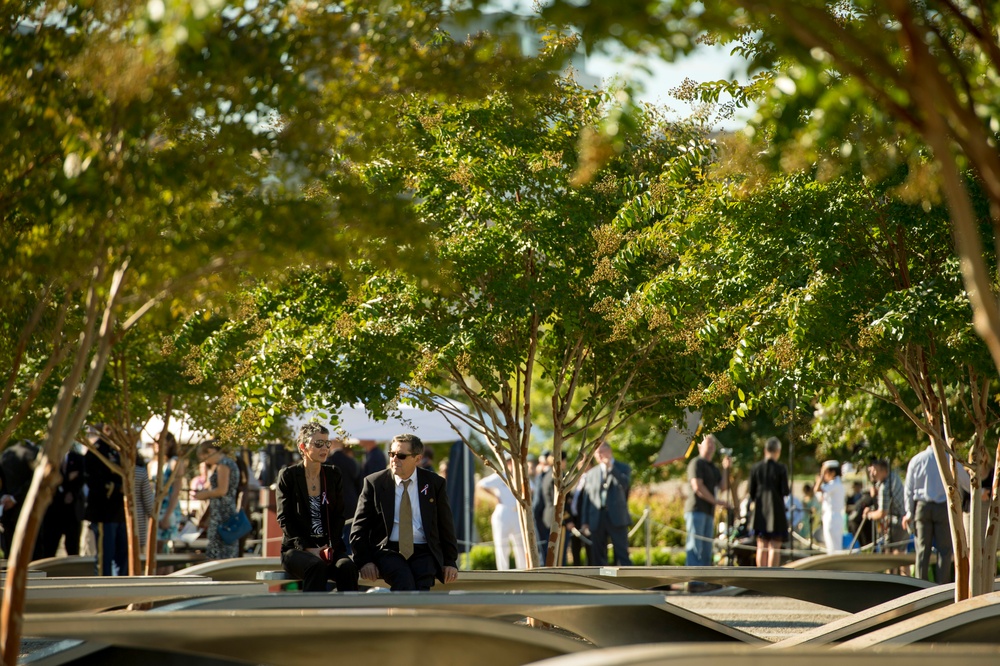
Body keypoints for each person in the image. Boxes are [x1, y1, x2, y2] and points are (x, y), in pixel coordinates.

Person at [351, 433, 459, 591]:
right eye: (391, 454)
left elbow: (446, 525)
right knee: (404, 581)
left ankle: (406, 615)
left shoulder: (435, 484)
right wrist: (365, 561)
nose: (394, 459)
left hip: (424, 551)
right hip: (388, 550)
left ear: (417, 459)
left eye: (401, 456)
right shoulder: (374, 483)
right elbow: (358, 529)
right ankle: (400, 615)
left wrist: (450, 562)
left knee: (422, 585)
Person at [276, 423, 359, 592]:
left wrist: (328, 547)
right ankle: (311, 616)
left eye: (327, 443)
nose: (325, 448)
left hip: (329, 547)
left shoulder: (333, 474)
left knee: (347, 567)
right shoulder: (288, 475)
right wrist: (308, 548)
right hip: (297, 549)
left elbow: (338, 515)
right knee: (316, 566)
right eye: (318, 444)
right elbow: (284, 518)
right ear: (303, 447)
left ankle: (350, 615)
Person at [902, 443, 968, 583]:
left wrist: (909, 512)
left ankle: (920, 586)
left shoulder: (917, 459)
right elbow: (965, 481)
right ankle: (942, 586)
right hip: (943, 507)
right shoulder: (949, 459)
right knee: (944, 551)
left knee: (922, 550)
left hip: (922, 508)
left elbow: (908, 488)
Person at [580, 441, 632, 566]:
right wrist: (585, 521)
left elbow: (625, 486)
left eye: (600, 452)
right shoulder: (592, 473)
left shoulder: (623, 468)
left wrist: (611, 468)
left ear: (608, 451)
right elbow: (587, 498)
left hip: (617, 517)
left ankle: (627, 583)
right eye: (596, 454)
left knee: (622, 553)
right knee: (598, 555)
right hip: (597, 518)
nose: (598, 456)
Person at [84, 427, 127, 575]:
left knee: (124, 557)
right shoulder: (96, 450)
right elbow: (94, 481)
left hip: (122, 512)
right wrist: (117, 488)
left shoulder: (122, 450)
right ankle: (103, 591)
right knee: (105, 557)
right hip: (104, 512)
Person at [684, 434, 731, 567]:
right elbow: (698, 487)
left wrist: (726, 469)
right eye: (708, 443)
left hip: (709, 512)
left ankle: (704, 581)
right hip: (696, 511)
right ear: (700, 445)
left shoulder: (713, 467)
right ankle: (694, 582)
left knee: (706, 549)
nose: (711, 446)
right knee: (695, 547)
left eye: (713, 444)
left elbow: (723, 487)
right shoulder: (696, 463)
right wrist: (716, 502)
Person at [476, 455, 527, 570]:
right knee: (502, 545)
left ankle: (523, 571)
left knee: (520, 545)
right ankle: (503, 571)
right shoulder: (500, 476)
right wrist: (494, 496)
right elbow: (481, 485)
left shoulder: (520, 477)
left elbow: (531, 489)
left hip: (517, 513)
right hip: (503, 512)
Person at [193, 440, 241, 560]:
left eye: (205, 458)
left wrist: (204, 494)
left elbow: (222, 490)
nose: (206, 462)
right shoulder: (227, 463)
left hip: (222, 514)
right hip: (224, 511)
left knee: (218, 552)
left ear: (210, 451)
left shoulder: (223, 464)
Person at [748, 437, 789, 567]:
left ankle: (760, 575)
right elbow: (785, 491)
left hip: (760, 511)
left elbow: (751, 492)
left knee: (761, 545)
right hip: (776, 511)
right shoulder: (781, 468)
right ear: (778, 451)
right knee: (774, 546)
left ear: (765, 450)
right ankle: (773, 575)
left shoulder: (756, 468)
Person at [40, 444, 85, 558]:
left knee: (73, 547)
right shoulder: (49, 458)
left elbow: (82, 478)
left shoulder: (78, 458)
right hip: (53, 511)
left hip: (72, 511)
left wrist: (72, 493)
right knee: (50, 547)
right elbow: (48, 480)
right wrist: (66, 479)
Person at [1, 439, 41, 559]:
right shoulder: (35, 453)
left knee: (10, 549)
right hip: (28, 508)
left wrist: (4, 497)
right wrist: (14, 498)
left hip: (7, 508)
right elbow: (35, 482)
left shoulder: (7, 453)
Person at [148, 431, 187, 552]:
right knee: (153, 547)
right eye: (155, 442)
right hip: (154, 508)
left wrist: (167, 515)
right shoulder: (151, 464)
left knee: (165, 547)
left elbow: (176, 491)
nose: (157, 444)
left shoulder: (175, 462)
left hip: (168, 508)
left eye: (161, 442)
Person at [323, 435, 362, 554]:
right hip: (351, 503)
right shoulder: (352, 462)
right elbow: (359, 484)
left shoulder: (327, 462)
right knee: (349, 539)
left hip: (334, 504)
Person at [865, 459, 907, 556]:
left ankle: (891, 572)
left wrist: (869, 515)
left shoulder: (885, 487)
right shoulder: (893, 476)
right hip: (904, 521)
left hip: (897, 524)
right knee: (902, 558)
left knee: (889, 556)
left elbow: (882, 513)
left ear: (883, 471)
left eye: (875, 470)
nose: (873, 474)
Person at [814, 460, 846, 553]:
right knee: (831, 546)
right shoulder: (832, 485)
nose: (824, 475)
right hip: (831, 517)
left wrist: (820, 476)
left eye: (826, 472)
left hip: (833, 517)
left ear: (833, 473)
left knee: (834, 548)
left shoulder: (835, 484)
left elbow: (817, 489)